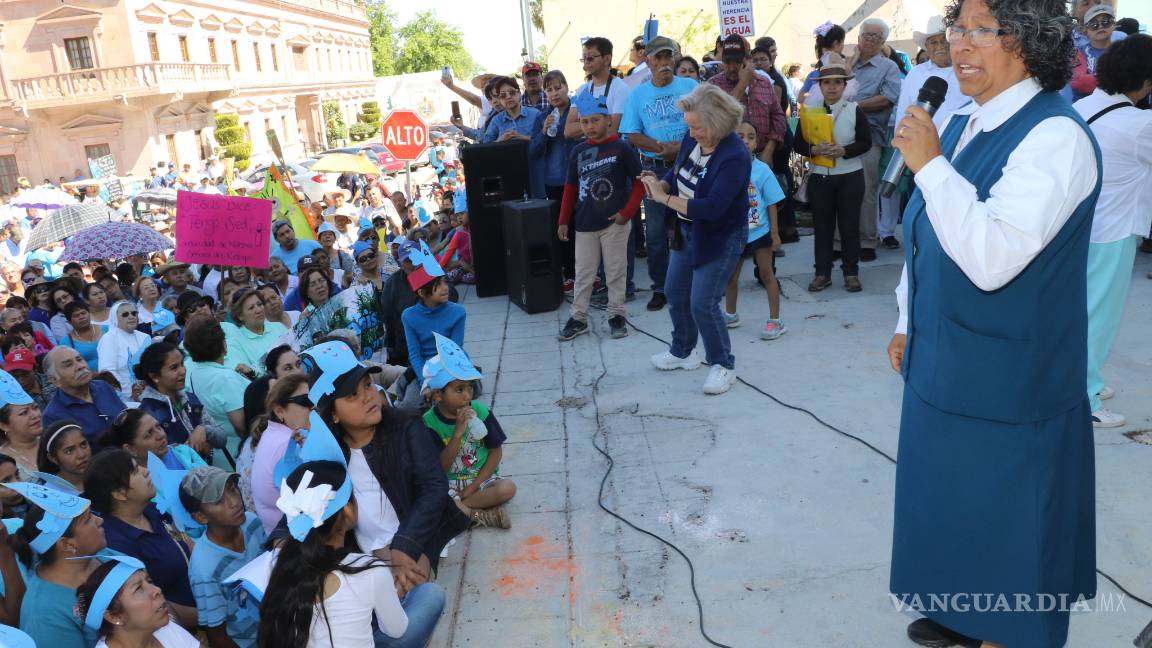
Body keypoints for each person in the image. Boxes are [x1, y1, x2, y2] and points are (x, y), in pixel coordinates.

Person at [886, 0, 1100, 645]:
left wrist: (929, 165)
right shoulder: (962, 120)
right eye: (956, 30)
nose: (961, 46)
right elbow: (924, 230)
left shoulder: (1054, 136)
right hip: (946, 350)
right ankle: (963, 611)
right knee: (953, 497)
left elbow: (992, 258)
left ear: (1030, 42)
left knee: (1009, 512)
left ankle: (1007, 631)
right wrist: (905, 317)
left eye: (983, 32)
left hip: (1011, 372)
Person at [303, 341, 471, 589]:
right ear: (334, 415)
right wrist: (280, 538)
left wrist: (405, 545)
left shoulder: (406, 427)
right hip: (365, 546)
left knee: (404, 585)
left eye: (368, 385)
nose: (368, 397)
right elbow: (303, 496)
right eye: (352, 395)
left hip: (416, 534)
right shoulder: (328, 450)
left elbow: (433, 486)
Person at [258, 456, 445, 647]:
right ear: (347, 510)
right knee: (430, 594)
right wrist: (391, 592)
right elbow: (396, 630)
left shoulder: (275, 565)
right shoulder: (369, 569)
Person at [640, 83, 751, 396]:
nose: (691, 132)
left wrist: (663, 200)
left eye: (698, 127)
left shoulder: (734, 156)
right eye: (689, 126)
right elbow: (677, 173)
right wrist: (657, 182)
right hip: (687, 230)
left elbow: (712, 208)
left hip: (720, 236)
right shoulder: (693, 135)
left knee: (703, 302)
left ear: (717, 122)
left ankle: (723, 364)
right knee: (675, 292)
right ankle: (683, 351)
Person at [1071, 34, 1152, 428]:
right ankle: (1083, 395)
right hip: (1114, 231)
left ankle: (1088, 379)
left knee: (1077, 313)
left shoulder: (1082, 108)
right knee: (1098, 317)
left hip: (1077, 228)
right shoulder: (1139, 125)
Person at [557, 92, 644, 342]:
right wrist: (564, 220)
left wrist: (627, 213)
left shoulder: (622, 148)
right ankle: (578, 317)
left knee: (616, 271)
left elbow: (640, 183)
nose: (590, 127)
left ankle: (616, 315)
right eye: (584, 122)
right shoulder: (578, 151)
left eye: (595, 120)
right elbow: (570, 188)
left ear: (608, 120)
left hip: (614, 222)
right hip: (585, 224)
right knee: (583, 273)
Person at [620, 36, 697, 314]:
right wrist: (661, 149)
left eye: (669, 57)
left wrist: (678, 148)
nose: (665, 63)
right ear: (648, 61)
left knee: (691, 224)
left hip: (691, 165)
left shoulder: (690, 87)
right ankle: (660, 288)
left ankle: (694, 283)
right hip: (655, 169)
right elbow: (631, 133)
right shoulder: (638, 95)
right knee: (654, 232)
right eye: (659, 58)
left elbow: (705, 121)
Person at [882, 15, 971, 250]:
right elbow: (904, 114)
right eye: (933, 42)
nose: (939, 46)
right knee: (923, 209)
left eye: (944, 40)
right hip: (923, 155)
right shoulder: (916, 74)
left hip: (962, 151)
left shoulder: (968, 69)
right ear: (926, 48)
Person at [83, 450, 199, 629]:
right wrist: (210, 619)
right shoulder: (116, 544)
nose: (146, 471)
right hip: (181, 626)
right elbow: (148, 602)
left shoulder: (151, 510)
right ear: (120, 493)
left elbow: (185, 544)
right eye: (136, 471)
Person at [794, 53, 872, 292]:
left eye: (838, 82)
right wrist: (813, 149)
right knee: (823, 227)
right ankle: (822, 273)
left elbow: (865, 142)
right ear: (820, 85)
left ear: (844, 86)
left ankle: (851, 273)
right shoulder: (809, 110)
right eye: (827, 82)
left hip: (850, 176)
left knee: (849, 226)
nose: (832, 87)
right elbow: (797, 143)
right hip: (820, 176)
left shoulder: (853, 109)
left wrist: (844, 150)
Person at [422, 334, 515, 528]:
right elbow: (440, 468)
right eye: (459, 389)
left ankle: (459, 511)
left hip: (482, 479)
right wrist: (457, 433)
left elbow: (495, 451)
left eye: (470, 388)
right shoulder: (429, 423)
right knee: (427, 498)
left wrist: (472, 487)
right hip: (449, 483)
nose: (467, 396)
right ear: (438, 394)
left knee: (507, 488)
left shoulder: (480, 411)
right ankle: (479, 515)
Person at [9, 482, 104, 647]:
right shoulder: (44, 615)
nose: (100, 520)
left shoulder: (103, 555)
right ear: (67, 545)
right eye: (88, 519)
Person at [181, 466, 266, 648]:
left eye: (233, 489)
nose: (235, 502)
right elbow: (217, 635)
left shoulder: (251, 522)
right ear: (201, 517)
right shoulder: (204, 570)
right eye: (219, 501)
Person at [723, 122, 786, 338]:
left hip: (760, 234)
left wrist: (775, 234)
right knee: (731, 277)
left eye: (751, 137)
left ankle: (775, 321)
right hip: (735, 234)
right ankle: (730, 315)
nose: (746, 141)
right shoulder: (723, 168)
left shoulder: (762, 170)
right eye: (740, 136)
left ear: (756, 142)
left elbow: (771, 202)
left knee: (767, 275)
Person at [851, 18, 903, 262]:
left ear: (883, 42)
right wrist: (848, 63)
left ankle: (867, 241)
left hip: (870, 133)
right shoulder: (847, 64)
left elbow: (887, 99)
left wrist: (851, 106)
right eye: (866, 35)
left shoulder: (888, 67)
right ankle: (842, 242)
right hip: (839, 133)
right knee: (839, 188)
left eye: (875, 37)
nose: (869, 40)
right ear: (858, 38)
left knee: (865, 187)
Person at [74, 556, 200, 647]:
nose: (157, 590)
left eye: (149, 581)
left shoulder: (167, 629)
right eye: (139, 588)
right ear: (113, 616)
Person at [532, 70, 579, 291]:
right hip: (554, 181)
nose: (554, 93)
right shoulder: (542, 116)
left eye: (558, 87)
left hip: (579, 177)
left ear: (567, 87)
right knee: (564, 229)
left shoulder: (578, 109)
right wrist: (543, 133)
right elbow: (532, 151)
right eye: (549, 90)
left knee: (584, 227)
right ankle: (569, 273)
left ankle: (591, 274)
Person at [708, 35, 786, 166]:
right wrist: (743, 83)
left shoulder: (764, 82)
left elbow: (778, 117)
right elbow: (721, 117)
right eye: (727, 62)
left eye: (737, 62)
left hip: (761, 157)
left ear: (748, 60)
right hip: (728, 159)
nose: (732, 67)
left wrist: (769, 149)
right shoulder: (713, 86)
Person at [250, 373, 311, 533]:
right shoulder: (288, 444)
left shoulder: (274, 434)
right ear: (279, 411)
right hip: (295, 541)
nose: (313, 407)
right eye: (306, 401)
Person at [183, 316, 250, 453]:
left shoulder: (196, 372)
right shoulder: (226, 378)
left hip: (220, 453)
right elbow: (242, 427)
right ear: (223, 345)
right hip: (239, 455)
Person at [41, 346, 127, 444]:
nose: (80, 366)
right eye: (69, 365)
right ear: (54, 380)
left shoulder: (104, 387)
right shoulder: (53, 416)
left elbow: (125, 418)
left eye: (79, 359)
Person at [402, 273, 466, 382]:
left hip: (453, 364)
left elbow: (455, 350)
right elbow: (414, 355)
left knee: (458, 394)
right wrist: (424, 382)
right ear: (421, 292)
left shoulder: (458, 312)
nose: (445, 287)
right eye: (438, 284)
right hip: (425, 367)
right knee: (412, 398)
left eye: (445, 281)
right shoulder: (409, 316)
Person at [565, 37, 633, 137]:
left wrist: (584, 124)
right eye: (584, 59)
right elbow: (568, 131)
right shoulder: (582, 90)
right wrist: (599, 122)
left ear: (607, 59)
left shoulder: (620, 88)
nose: (586, 62)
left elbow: (613, 132)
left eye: (590, 58)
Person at [100, 408, 206, 470]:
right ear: (130, 449)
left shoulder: (183, 452)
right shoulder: (132, 486)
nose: (161, 435)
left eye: (158, 426)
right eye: (148, 434)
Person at [222, 288, 289, 373]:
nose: (258, 310)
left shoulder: (278, 327)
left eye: (259, 304)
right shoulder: (236, 343)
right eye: (251, 308)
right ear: (240, 316)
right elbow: (246, 374)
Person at [96, 301, 151, 399]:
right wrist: (129, 392)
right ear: (115, 318)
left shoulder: (145, 337)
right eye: (125, 314)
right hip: (125, 397)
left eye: (134, 313)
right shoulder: (109, 338)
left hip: (149, 392)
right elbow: (108, 372)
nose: (131, 316)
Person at [1070, 4, 1116, 101]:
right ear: (1086, 30)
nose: (1100, 26)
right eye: (1093, 24)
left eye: (1106, 22)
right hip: (1085, 110)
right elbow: (1078, 82)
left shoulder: (1123, 50)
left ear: (1113, 25)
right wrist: (1117, 77)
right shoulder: (1077, 52)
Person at [0, 370, 41, 479]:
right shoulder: (3, 460)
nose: (35, 415)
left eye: (35, 407)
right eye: (24, 412)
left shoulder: (54, 442)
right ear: (4, 425)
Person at [36, 420, 91, 493]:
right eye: (69, 451)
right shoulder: (49, 494)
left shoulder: (103, 476)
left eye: (83, 445)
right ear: (53, 458)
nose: (81, 455)